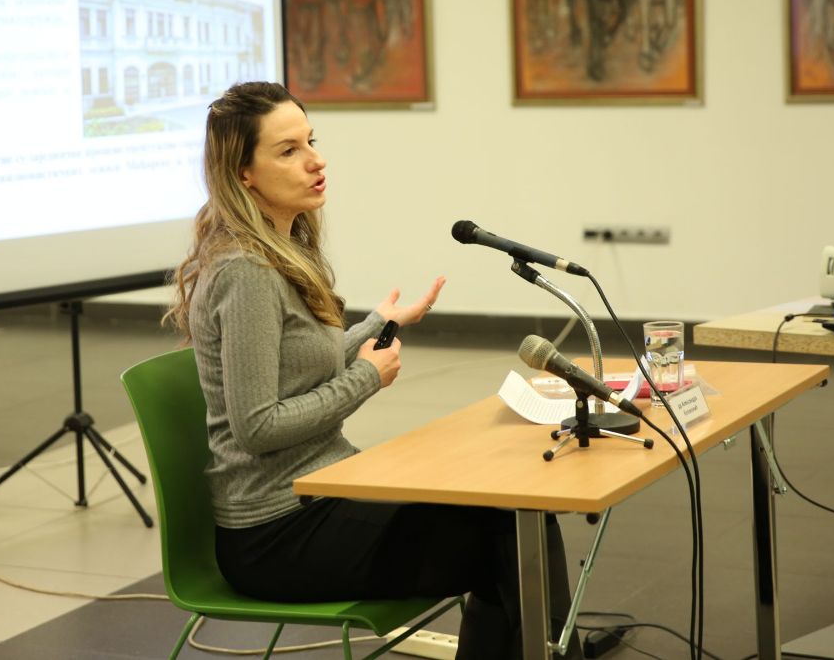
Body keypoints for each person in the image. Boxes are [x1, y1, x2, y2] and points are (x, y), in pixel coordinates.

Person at [164, 81, 579, 658]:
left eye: (311, 141)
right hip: (276, 532)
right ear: (244, 175)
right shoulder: (246, 271)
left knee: (512, 518)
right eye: (288, 151)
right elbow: (258, 427)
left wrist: (376, 325)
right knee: (509, 536)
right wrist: (366, 377)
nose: (316, 160)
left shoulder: (282, 249)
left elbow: (295, 365)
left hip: (323, 492)